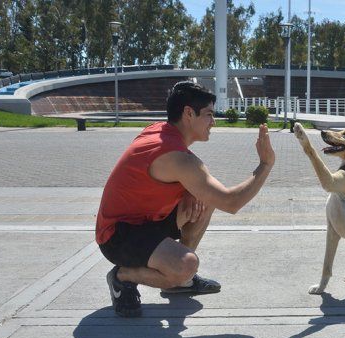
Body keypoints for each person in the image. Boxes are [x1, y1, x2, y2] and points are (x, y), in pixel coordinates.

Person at [96, 81, 275, 317]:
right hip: (117, 237)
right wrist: (265, 164)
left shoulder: (159, 131)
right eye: (209, 114)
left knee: (205, 198)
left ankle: (181, 282)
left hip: (144, 221)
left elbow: (194, 179)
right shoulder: (176, 157)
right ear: (189, 113)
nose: (214, 122)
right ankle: (122, 277)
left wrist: (190, 191)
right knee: (186, 265)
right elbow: (232, 202)